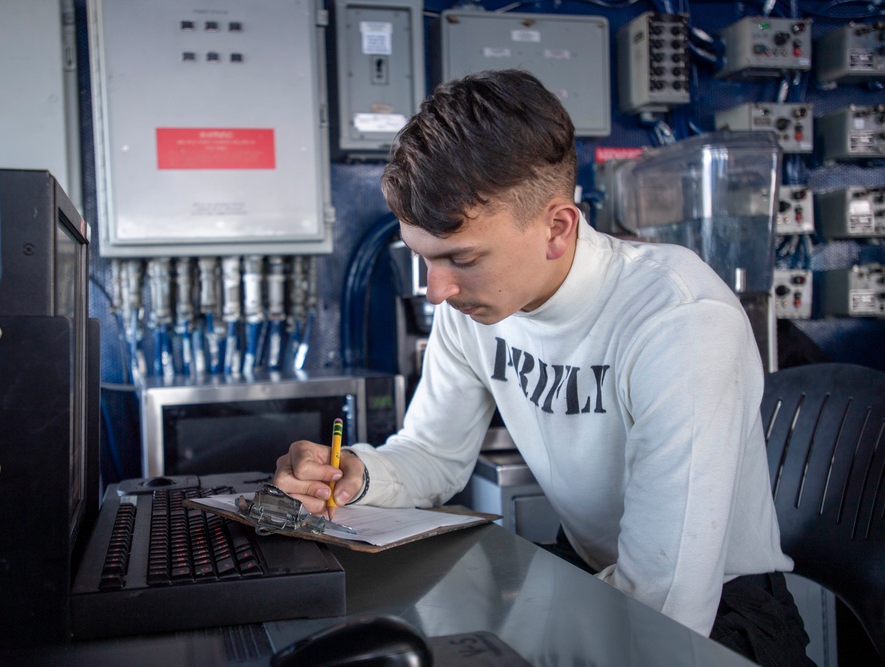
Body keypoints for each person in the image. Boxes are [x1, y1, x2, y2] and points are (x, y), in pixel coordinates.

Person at [273, 69, 812, 666]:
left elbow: (667, 598)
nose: (437, 291)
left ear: (557, 227)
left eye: (462, 258)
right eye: (423, 258)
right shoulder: (470, 310)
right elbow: (433, 455)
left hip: (718, 615)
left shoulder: (679, 318)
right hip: (588, 575)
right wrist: (351, 470)